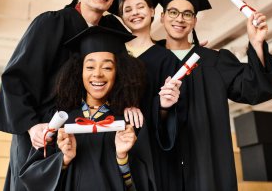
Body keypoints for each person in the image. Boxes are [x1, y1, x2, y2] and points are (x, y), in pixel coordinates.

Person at [0, 0, 138, 191]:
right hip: (44, 133)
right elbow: (17, 78)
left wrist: (130, 103)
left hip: (90, 136)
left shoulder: (112, 32)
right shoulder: (51, 23)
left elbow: (122, 79)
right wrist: (30, 125)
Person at [157, 0, 272, 191]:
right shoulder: (149, 62)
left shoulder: (214, 61)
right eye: (173, 12)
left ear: (195, 21)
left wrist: (256, 42)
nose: (180, 18)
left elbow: (254, 88)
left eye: (188, 14)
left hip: (208, 168)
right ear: (162, 17)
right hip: (164, 168)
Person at [19, 26, 173, 190]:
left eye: (107, 67)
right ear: (79, 72)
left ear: (119, 73)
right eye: (90, 67)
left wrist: (122, 157)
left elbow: (143, 186)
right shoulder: (60, 121)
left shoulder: (128, 125)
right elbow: (32, 180)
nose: (98, 74)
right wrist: (63, 160)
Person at [117, 0, 184, 190]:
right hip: (115, 138)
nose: (134, 13)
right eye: (128, 9)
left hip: (151, 145)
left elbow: (172, 117)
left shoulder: (167, 58)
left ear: (153, 11)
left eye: (140, 7)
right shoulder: (114, 54)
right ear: (121, 16)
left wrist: (164, 105)